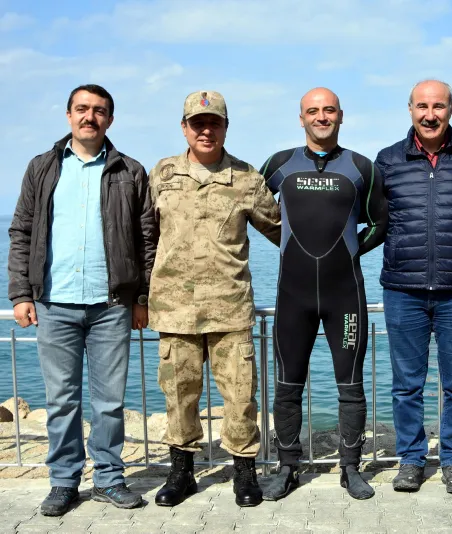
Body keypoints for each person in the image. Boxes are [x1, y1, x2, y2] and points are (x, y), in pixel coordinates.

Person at [7, 84, 155, 515]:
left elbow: (146, 239)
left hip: (112, 305)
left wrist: (141, 298)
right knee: (61, 401)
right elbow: (22, 232)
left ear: (111, 118)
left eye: (99, 111)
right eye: (82, 109)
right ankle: (64, 481)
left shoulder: (130, 170)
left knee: (109, 401)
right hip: (53, 301)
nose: (90, 117)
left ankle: (109, 478)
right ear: (69, 115)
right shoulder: (42, 167)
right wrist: (19, 293)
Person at [149, 90, 281, 507]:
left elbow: (281, 233)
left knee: (241, 398)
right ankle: (181, 474)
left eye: (214, 123)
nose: (206, 130)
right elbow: (143, 236)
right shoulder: (163, 174)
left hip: (228, 308)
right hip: (173, 309)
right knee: (179, 396)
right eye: (197, 123)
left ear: (226, 127)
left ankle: (244, 473)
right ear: (184, 127)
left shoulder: (245, 178)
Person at [259, 87, 387, 501]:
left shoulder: (361, 167)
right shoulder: (279, 165)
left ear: (340, 115)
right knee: (287, 384)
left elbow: (379, 222)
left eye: (328, 110)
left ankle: (350, 468)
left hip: (344, 293)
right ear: (301, 118)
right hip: (292, 294)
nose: (321, 116)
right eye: (312, 111)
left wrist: (350, 250)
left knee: (350, 385)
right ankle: (287, 467)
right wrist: (285, 242)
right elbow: (255, 209)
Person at [377, 80, 452, 494]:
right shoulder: (387, 160)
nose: (430, 114)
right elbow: (374, 220)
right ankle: (410, 459)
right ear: (409, 109)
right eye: (422, 106)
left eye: (438, 106)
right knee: (407, 384)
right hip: (402, 288)